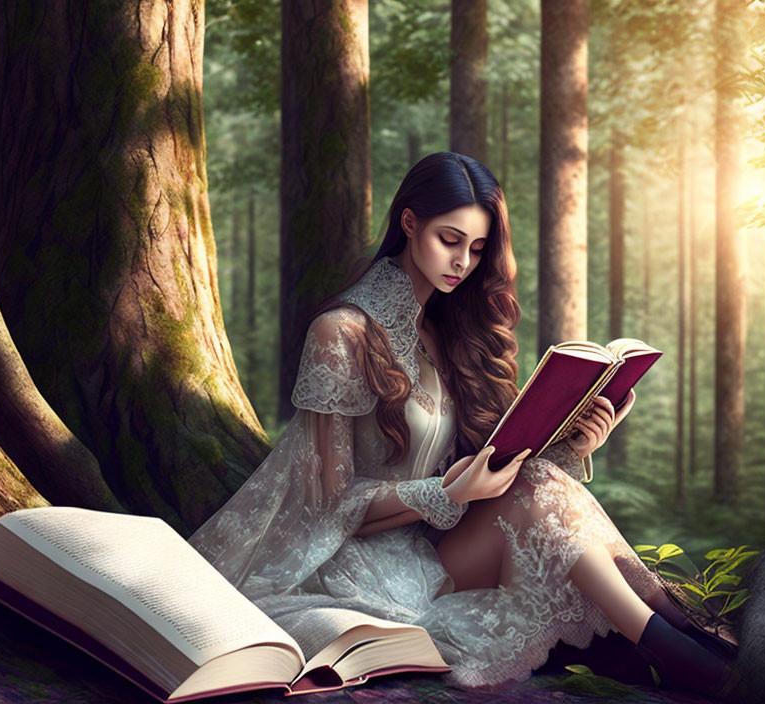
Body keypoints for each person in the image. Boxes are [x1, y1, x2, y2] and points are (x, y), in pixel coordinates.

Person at [188, 152, 736, 697]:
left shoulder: (452, 331)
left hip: (438, 543)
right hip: (361, 567)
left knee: (543, 482)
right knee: (541, 491)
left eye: (477, 249)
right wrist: (445, 492)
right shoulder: (341, 333)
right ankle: (680, 644)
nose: (464, 263)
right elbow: (328, 506)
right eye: (450, 240)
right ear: (409, 223)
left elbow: (497, 466)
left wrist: (578, 442)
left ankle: (677, 635)